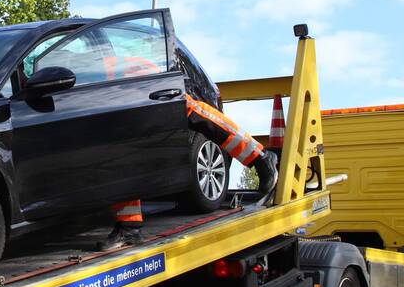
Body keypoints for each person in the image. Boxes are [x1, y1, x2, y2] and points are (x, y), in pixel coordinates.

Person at [97, 95, 278, 250]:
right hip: (107, 90)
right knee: (120, 144)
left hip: (136, 79)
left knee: (191, 110)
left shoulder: (125, 65)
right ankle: (129, 227)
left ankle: (260, 157)